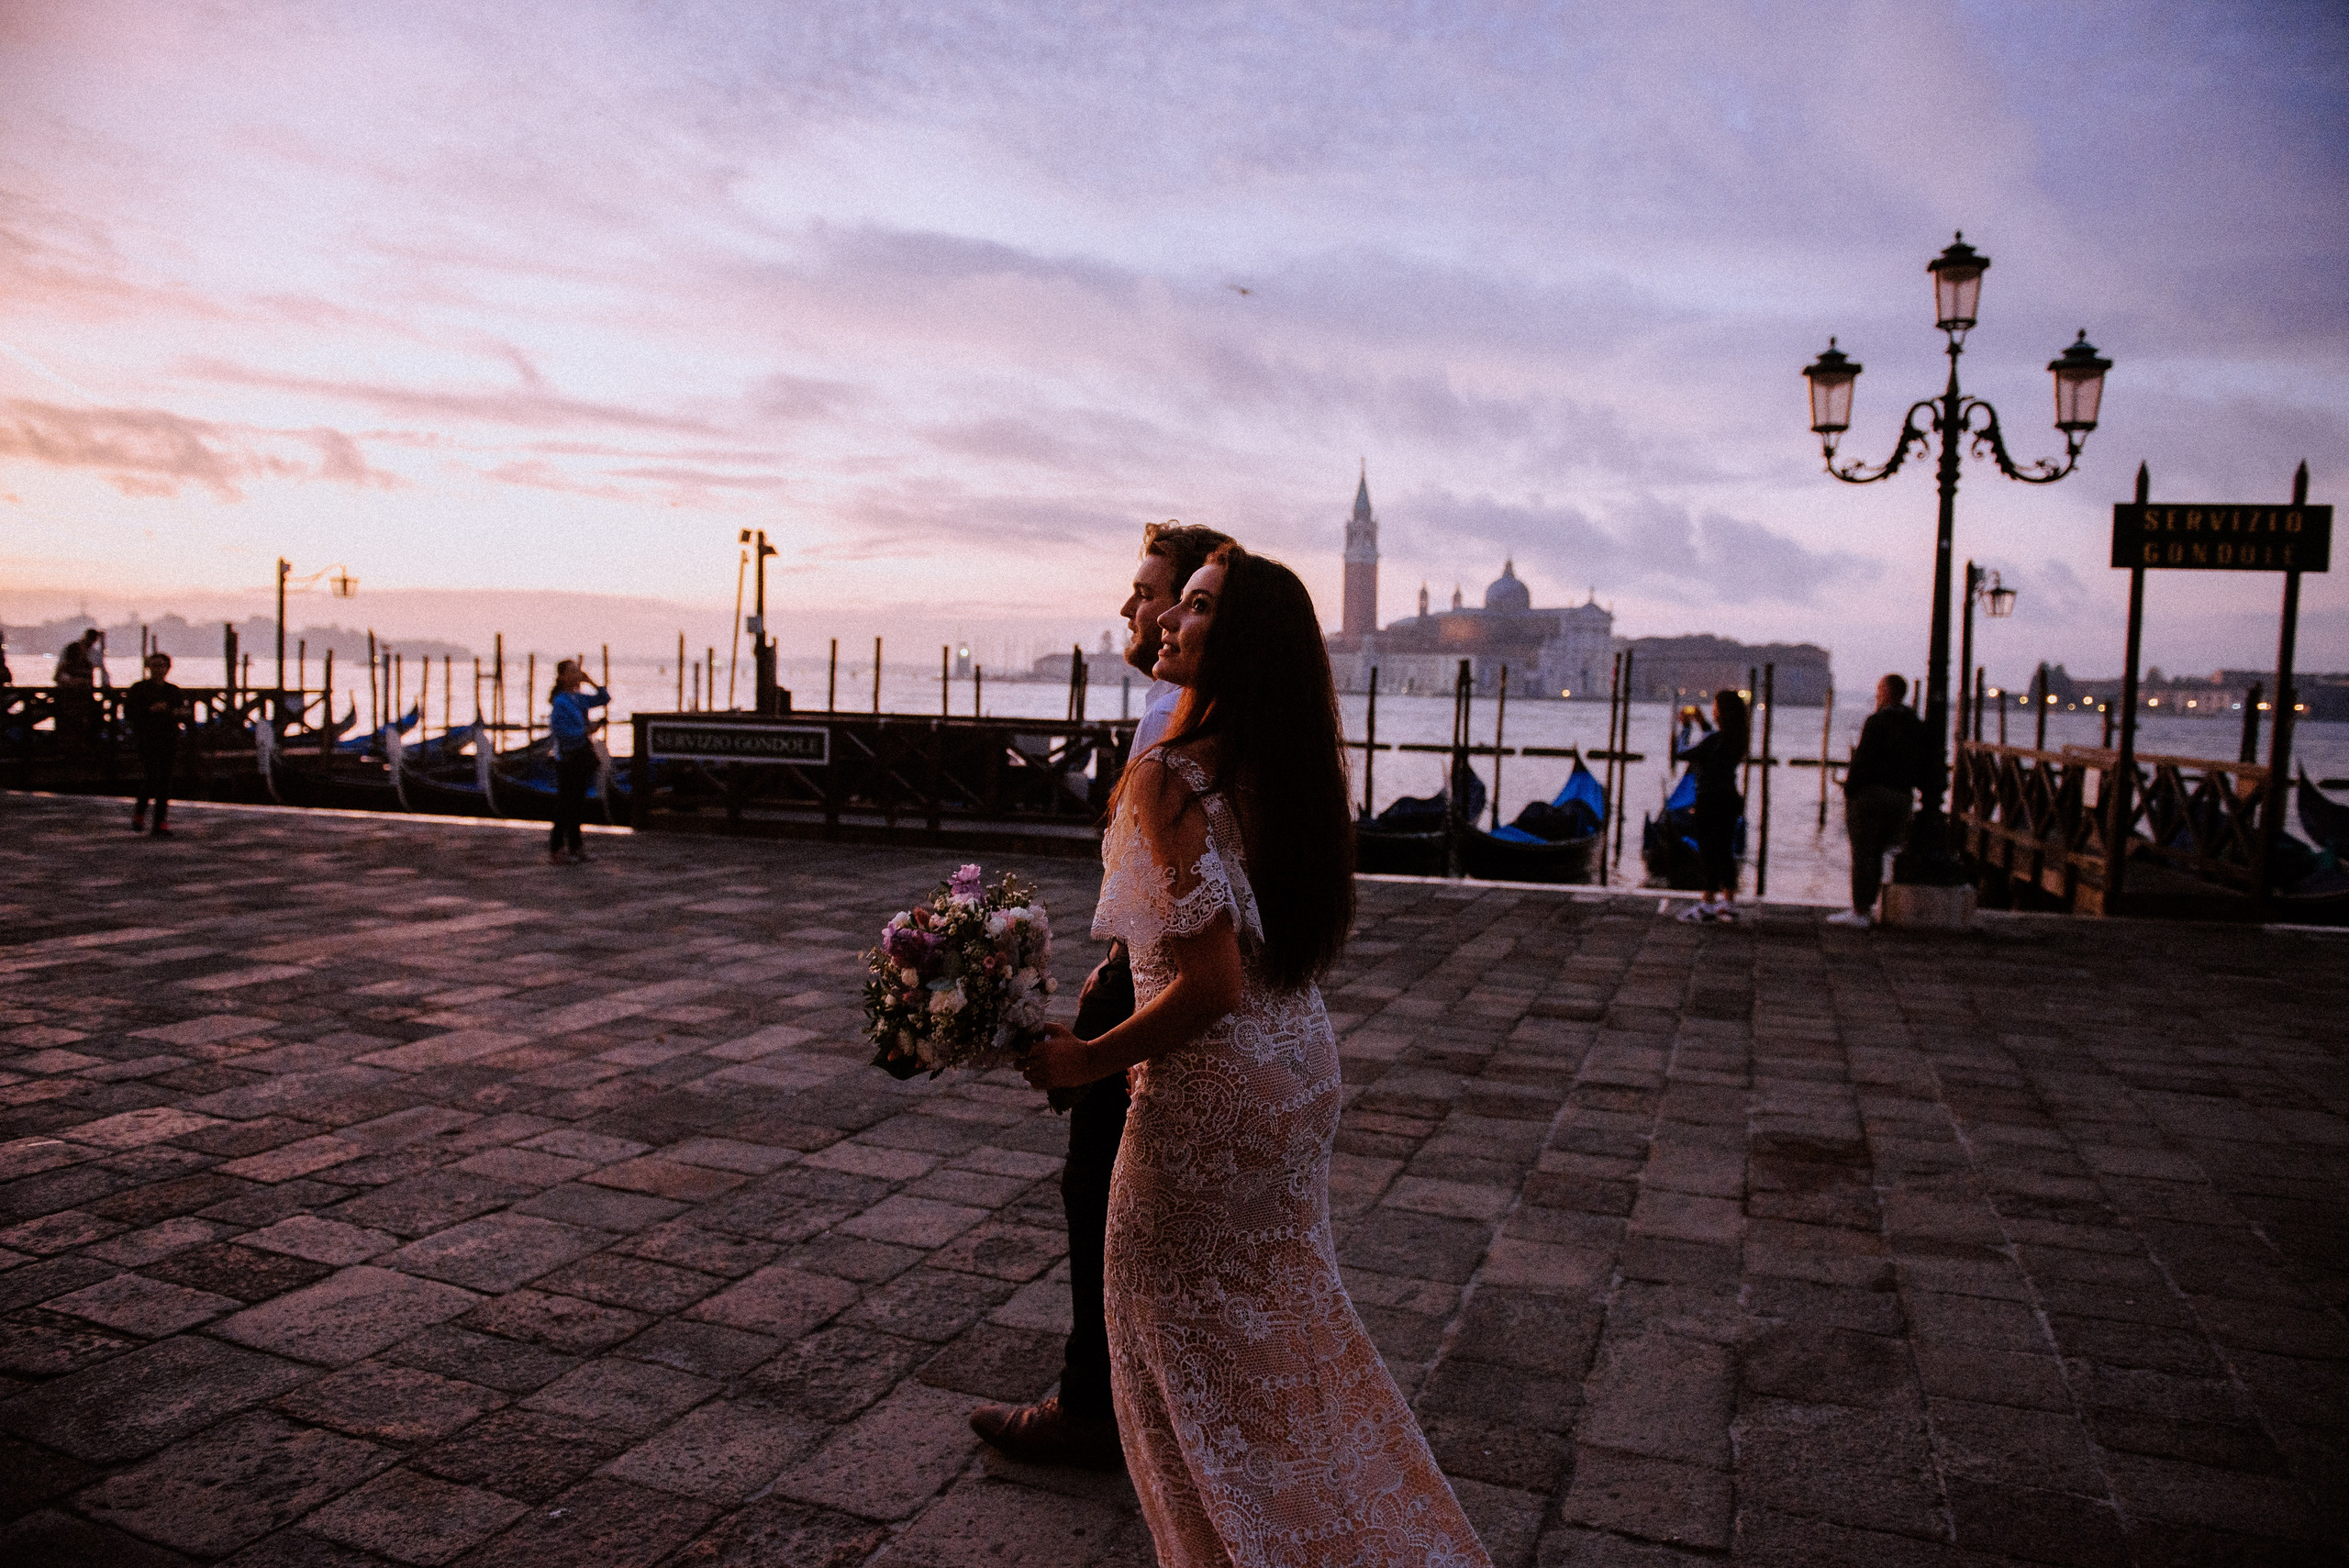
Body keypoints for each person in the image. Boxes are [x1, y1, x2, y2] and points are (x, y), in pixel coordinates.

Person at [1021, 544, 1492, 1567]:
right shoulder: (1279, 766)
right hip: (1298, 1070)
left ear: (1236, 640)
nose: (1168, 619)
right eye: (1175, 601)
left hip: (1213, 1093)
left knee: (1173, 1366)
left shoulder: (1167, 775)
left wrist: (1083, 1059)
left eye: (1192, 606)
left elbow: (1211, 983)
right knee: (1289, 1339)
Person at [969, 518, 1231, 1471]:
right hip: (1141, 965)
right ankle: (1148, 1400)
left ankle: (1094, 1407)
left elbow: (1207, 905)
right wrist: (1111, 949)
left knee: (1104, 1194)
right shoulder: (1174, 708)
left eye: (1153, 590)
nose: (1131, 607)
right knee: (1125, 1199)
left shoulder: (1185, 726)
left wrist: (1097, 1034)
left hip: (1171, 989)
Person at [1831, 673, 1928, 928]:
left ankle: (1861, 909)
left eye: (1879, 690)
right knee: (1887, 851)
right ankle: (1878, 904)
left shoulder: (1877, 721)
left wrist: (1850, 788)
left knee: (1864, 852)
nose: (1876, 694)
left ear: (1887, 692)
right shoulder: (1916, 723)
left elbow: (1864, 758)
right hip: (1901, 795)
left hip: (1871, 794)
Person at [1674, 689, 1749, 923]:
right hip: (1730, 799)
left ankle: (1707, 904)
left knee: (1708, 852)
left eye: (1715, 707)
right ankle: (1728, 901)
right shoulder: (1735, 737)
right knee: (1725, 850)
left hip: (1710, 800)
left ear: (1722, 712)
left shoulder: (1716, 740)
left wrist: (1685, 728)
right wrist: (1701, 721)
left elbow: (1682, 752)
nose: (1713, 710)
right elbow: (1712, 743)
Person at [546, 659, 609, 864]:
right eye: (572, 671)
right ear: (563, 676)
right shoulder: (561, 701)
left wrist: (591, 681)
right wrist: (585, 730)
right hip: (568, 758)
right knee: (566, 803)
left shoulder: (577, 698)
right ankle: (556, 849)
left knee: (578, 804)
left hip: (581, 756)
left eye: (578, 671)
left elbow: (604, 698)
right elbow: (560, 730)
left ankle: (576, 847)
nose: (576, 674)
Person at [127, 651, 188, 838]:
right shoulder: (139, 689)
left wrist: (169, 710)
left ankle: (160, 822)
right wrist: (149, 710)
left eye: (161, 666)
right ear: (148, 668)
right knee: (152, 776)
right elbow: (129, 712)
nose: (157, 670)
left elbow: (183, 712)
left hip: (168, 739)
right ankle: (139, 814)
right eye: (154, 666)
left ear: (167, 668)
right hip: (147, 738)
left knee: (165, 781)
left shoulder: (173, 691)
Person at [54, 628, 104, 749]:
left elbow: (91, 678)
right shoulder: (67, 664)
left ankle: (87, 744)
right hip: (67, 699)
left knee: (94, 716)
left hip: (83, 699)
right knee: (69, 720)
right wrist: (71, 682)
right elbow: (57, 677)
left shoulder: (89, 663)